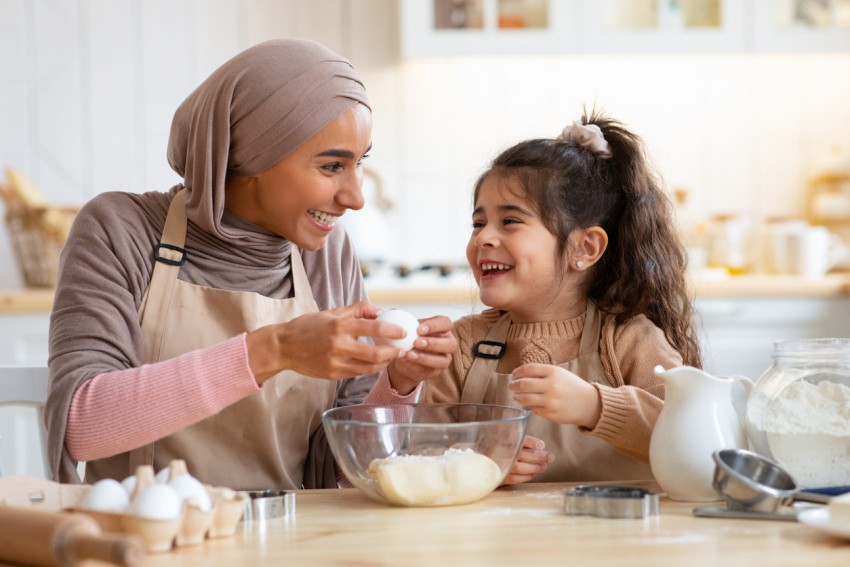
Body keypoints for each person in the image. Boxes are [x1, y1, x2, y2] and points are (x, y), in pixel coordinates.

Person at [45, 39, 456, 489]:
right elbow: (82, 430)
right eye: (331, 166)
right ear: (252, 154)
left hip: (294, 542)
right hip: (148, 541)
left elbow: (344, 467)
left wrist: (397, 385)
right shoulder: (121, 230)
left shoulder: (327, 253)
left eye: (360, 164)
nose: (355, 197)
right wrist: (274, 350)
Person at [396, 110, 702, 483]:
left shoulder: (628, 339)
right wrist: (475, 458)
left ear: (585, 248)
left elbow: (692, 435)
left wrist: (596, 407)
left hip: (617, 538)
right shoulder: (462, 347)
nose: (483, 238)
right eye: (478, 223)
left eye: (510, 221)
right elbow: (419, 454)